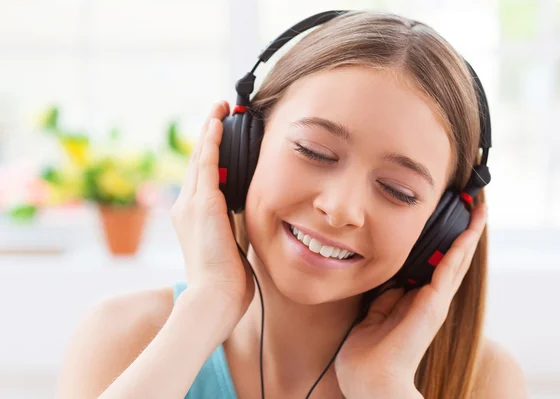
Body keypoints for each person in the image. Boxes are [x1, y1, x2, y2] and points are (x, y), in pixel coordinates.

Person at [56, 10, 529, 399]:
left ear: (441, 230)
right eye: (314, 152)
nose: (341, 208)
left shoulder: (484, 381)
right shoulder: (125, 338)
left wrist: (383, 388)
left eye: (399, 191)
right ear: (241, 148)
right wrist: (206, 308)